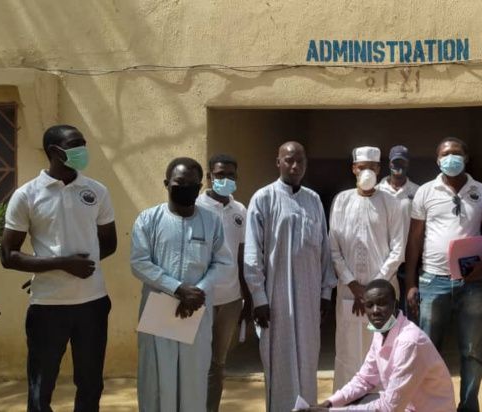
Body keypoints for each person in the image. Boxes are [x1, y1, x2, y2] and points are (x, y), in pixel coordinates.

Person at [0, 125, 117, 412]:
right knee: (41, 386)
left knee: (90, 384)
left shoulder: (96, 191)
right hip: (47, 306)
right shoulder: (27, 195)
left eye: (83, 144)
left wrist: (81, 266)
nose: (83, 150)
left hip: (92, 303)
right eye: (75, 144)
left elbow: (109, 243)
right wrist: (61, 265)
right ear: (54, 151)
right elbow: (8, 254)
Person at [130, 157, 233, 412]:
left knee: (193, 382)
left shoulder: (211, 221)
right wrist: (177, 288)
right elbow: (139, 262)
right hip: (158, 313)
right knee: (156, 381)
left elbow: (222, 262)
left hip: (196, 312)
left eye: (192, 183)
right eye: (179, 182)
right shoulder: (148, 219)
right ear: (167, 184)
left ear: (200, 187)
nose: (185, 187)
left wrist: (198, 291)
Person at [243, 141, 337, 412]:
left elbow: (323, 248)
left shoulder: (313, 199)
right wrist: (258, 297)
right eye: (289, 160)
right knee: (279, 361)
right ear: (278, 162)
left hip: (309, 298)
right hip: (275, 298)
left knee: (308, 360)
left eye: (300, 161)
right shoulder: (263, 198)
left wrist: (325, 293)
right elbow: (252, 253)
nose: (295, 166)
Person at [405, 137, 482, 412]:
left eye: (456, 153)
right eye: (445, 154)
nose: (451, 158)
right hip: (433, 281)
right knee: (429, 351)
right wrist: (410, 282)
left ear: (466, 158)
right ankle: (432, 406)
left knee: (472, 352)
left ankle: (468, 407)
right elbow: (415, 239)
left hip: (472, 284)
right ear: (437, 159)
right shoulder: (425, 192)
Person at [300, 279, 455, 412]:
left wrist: (332, 411)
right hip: (407, 407)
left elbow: (389, 408)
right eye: (370, 305)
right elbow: (364, 379)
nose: (375, 311)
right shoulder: (381, 331)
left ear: (395, 305)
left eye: (381, 304)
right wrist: (330, 403)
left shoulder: (409, 342)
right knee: (359, 400)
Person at [329, 146, 406, 390]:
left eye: (372, 168)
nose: (367, 172)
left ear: (379, 169)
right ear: (353, 169)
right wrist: (354, 285)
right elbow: (334, 249)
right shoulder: (342, 200)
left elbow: (398, 250)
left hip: (382, 293)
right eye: (362, 167)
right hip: (348, 294)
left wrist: (373, 289)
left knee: (383, 352)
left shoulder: (391, 202)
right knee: (349, 354)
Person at [195, 153, 252, 412]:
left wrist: (247, 295)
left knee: (217, 363)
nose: (225, 179)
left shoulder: (240, 210)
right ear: (209, 177)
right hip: (198, 298)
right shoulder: (195, 207)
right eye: (220, 175)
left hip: (230, 300)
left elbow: (242, 255)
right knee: (195, 360)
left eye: (230, 175)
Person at [376, 145, 420, 313]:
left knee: (408, 308)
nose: (398, 167)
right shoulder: (377, 190)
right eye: (395, 163)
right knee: (384, 307)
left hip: (408, 260)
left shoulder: (417, 192)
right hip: (382, 258)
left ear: (408, 164)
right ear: (389, 164)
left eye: (402, 162)